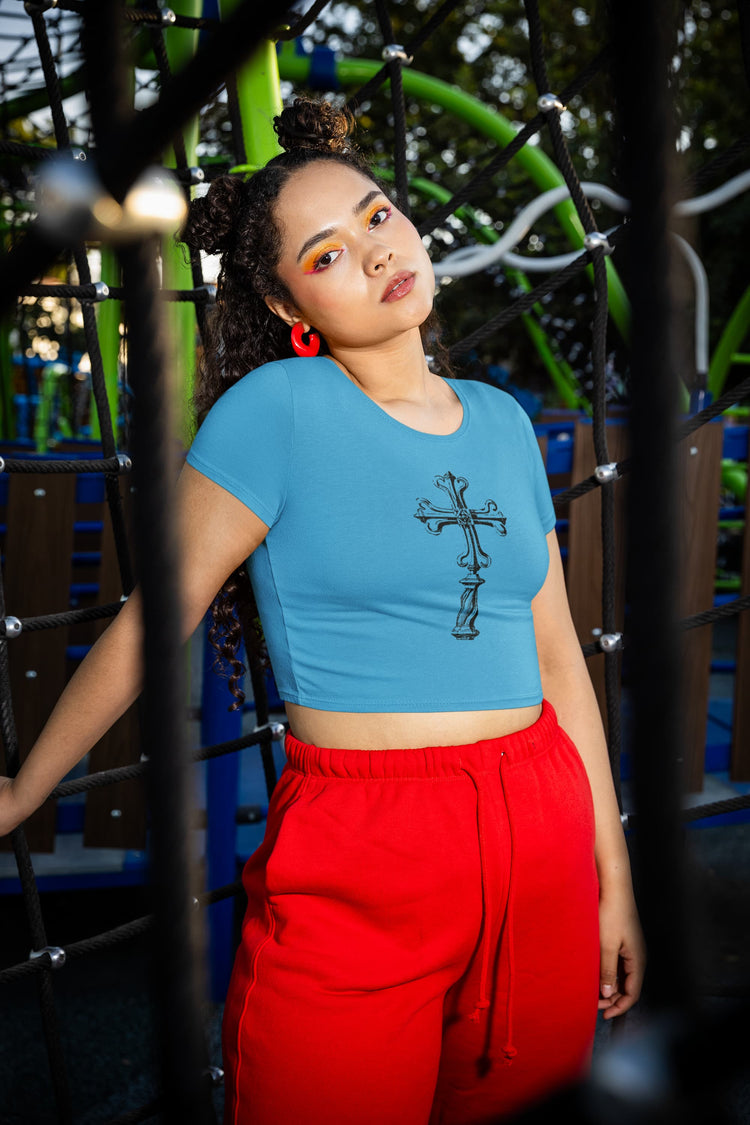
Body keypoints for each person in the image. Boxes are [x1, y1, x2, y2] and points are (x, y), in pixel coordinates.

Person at [0, 97, 645, 1124]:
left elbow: (560, 660)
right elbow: (150, 621)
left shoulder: (502, 422)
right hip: (365, 844)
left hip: (543, 837)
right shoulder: (277, 411)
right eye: (328, 253)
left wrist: (612, 877)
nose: (377, 250)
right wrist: (25, 791)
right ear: (291, 304)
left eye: (378, 216)